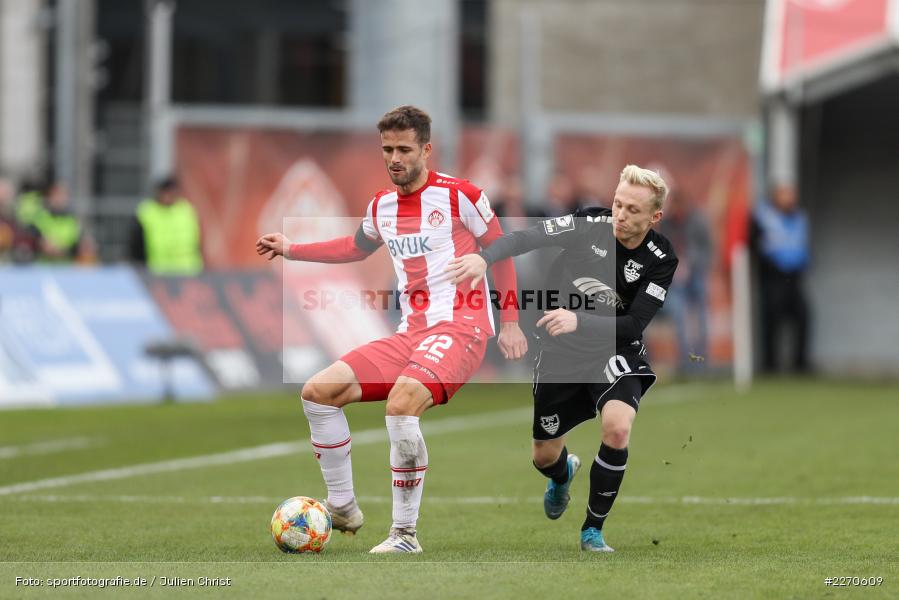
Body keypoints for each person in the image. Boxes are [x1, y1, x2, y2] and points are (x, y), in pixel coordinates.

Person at [255, 105, 527, 554]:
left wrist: (512, 321)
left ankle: (404, 535)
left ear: (426, 149)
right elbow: (355, 247)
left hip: (462, 329)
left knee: (401, 405)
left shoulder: (462, 196)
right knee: (317, 393)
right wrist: (293, 248)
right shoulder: (381, 206)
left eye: (404, 149)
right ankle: (342, 507)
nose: (394, 158)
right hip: (410, 334)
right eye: (387, 150)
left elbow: (504, 249)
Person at [447, 165, 678, 552]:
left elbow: (635, 324)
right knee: (544, 455)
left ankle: (593, 530)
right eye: (617, 204)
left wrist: (579, 319)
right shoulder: (588, 225)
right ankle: (561, 475)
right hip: (559, 350)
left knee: (618, 428)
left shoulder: (661, 258)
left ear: (655, 217)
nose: (620, 215)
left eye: (633, 210)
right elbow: (527, 237)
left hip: (613, 349)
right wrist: (485, 259)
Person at [750, 183, 810, 373]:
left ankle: (800, 364)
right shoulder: (763, 217)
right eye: (785, 194)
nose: (790, 198)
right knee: (771, 320)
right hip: (772, 277)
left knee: (804, 317)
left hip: (794, 277)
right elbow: (755, 246)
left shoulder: (799, 217)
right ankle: (770, 365)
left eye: (792, 194)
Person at [129, 177, 204, 275]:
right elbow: (136, 245)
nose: (168, 196)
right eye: (166, 192)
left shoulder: (186, 210)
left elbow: (196, 241)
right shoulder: (147, 212)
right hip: (157, 272)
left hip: (188, 272)